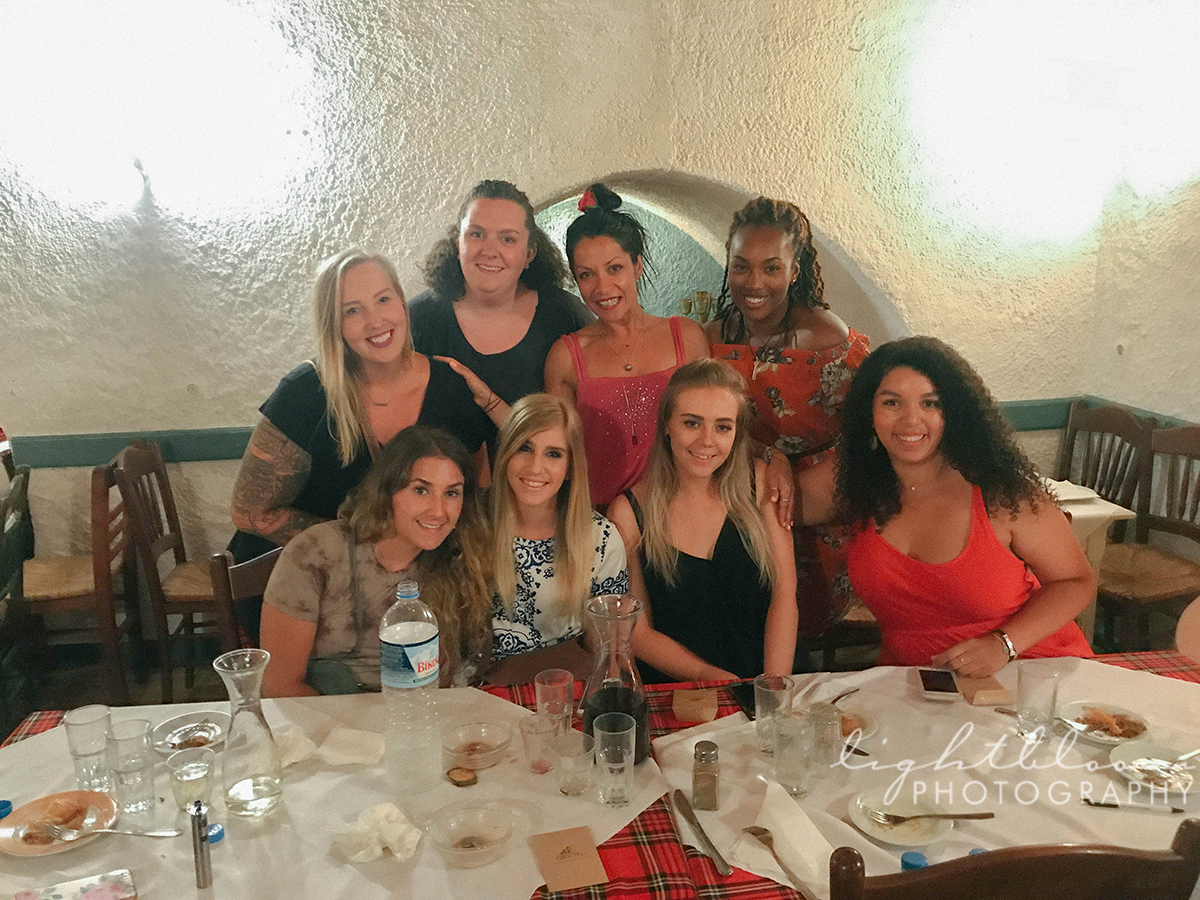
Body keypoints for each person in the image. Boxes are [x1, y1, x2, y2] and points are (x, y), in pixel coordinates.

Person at [228, 250, 491, 640]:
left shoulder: (449, 386)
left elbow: (476, 491)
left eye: (383, 299)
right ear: (333, 325)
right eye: (352, 311)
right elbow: (248, 510)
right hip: (303, 591)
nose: (375, 320)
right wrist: (361, 543)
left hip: (411, 590)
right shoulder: (304, 393)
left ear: (402, 302)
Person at [796, 336, 1096, 677]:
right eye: (892, 402)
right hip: (917, 686)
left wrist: (1004, 644)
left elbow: (1075, 581)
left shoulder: (1001, 493)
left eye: (930, 403)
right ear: (869, 411)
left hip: (1033, 672)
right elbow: (764, 504)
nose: (911, 420)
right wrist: (773, 461)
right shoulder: (851, 482)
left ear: (954, 411)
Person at [708, 197, 870, 633]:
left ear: (795, 271)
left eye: (771, 268)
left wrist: (814, 489)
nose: (754, 282)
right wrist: (764, 457)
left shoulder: (824, 337)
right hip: (733, 501)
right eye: (741, 266)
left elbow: (868, 431)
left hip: (811, 511)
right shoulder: (711, 338)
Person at [260, 426, 491, 697]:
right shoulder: (316, 554)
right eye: (421, 490)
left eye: (451, 493)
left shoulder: (462, 559)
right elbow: (279, 686)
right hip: (326, 713)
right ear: (387, 490)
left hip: (421, 711)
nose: (438, 511)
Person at [606, 359, 799, 682]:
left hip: (768, 677)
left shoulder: (761, 483)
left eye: (722, 427)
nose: (707, 441)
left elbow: (785, 592)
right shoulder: (628, 512)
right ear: (666, 425)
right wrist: (714, 679)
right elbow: (637, 632)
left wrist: (773, 686)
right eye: (692, 423)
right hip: (681, 688)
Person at [545, 183, 709, 508]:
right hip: (600, 524)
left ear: (637, 266)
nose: (602, 287)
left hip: (682, 515)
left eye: (614, 268)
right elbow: (553, 453)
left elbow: (718, 431)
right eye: (586, 275)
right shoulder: (565, 357)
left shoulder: (687, 337)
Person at [409, 180, 591, 445]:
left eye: (507, 239)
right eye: (476, 234)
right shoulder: (417, 320)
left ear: (529, 254)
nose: (490, 251)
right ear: (457, 243)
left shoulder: (565, 316)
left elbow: (580, 432)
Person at [487, 394, 628, 672]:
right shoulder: (470, 522)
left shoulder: (600, 538)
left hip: (564, 680)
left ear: (569, 468)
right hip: (475, 685)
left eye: (553, 454)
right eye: (524, 448)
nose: (535, 467)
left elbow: (608, 646)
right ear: (505, 454)